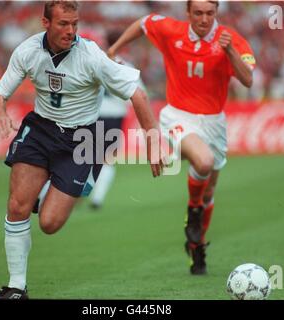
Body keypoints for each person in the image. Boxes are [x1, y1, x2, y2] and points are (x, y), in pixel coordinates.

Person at [0, 1, 162, 299]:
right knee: (17, 206)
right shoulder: (27, 51)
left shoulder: (91, 56)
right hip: (40, 130)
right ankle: (16, 286)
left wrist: (154, 142)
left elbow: (139, 94)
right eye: (63, 24)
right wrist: (1, 114)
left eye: (75, 23)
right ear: (45, 23)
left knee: (49, 223)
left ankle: (54, 190)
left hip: (82, 141)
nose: (71, 30)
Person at [108, 0, 255, 275]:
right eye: (198, 13)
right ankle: (193, 212)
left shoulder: (231, 39)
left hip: (214, 122)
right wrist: (114, 49)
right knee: (203, 162)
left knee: (209, 191)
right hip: (178, 116)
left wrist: (230, 51)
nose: (204, 19)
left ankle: (197, 246)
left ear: (216, 13)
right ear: (188, 13)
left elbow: (247, 79)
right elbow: (143, 22)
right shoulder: (171, 30)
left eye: (210, 13)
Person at [88, 30, 146, 210]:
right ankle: (97, 198)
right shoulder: (125, 65)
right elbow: (140, 93)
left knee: (86, 157)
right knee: (107, 159)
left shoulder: (95, 62)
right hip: (114, 117)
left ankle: (77, 191)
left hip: (93, 115)